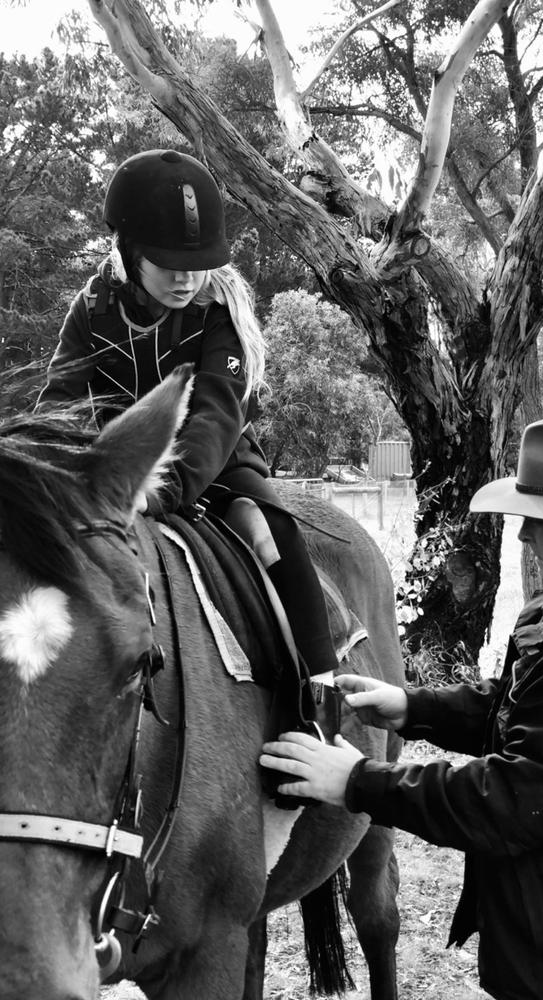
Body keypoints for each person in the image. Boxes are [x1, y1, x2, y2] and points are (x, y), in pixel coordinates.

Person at [260, 414, 543, 1000]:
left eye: (539, 519)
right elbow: (528, 714)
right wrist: (411, 708)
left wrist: (357, 782)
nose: (524, 535)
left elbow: (513, 801)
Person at [37, 148, 339, 715]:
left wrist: (165, 488)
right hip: (111, 471)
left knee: (271, 533)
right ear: (129, 252)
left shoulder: (216, 308)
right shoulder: (92, 307)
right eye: (166, 260)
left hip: (213, 463)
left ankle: (321, 696)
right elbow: (59, 401)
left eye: (196, 259)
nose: (185, 276)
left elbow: (216, 413)